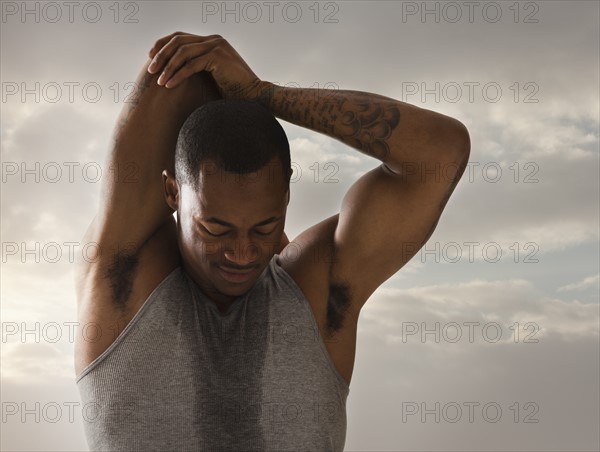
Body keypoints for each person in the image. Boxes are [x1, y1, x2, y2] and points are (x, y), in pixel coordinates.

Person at [74, 32, 470, 451]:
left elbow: (440, 153)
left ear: (286, 198)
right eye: (216, 228)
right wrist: (227, 88)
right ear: (172, 193)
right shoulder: (123, 276)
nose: (242, 253)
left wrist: (264, 95)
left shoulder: (315, 293)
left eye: (263, 228)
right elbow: (185, 79)